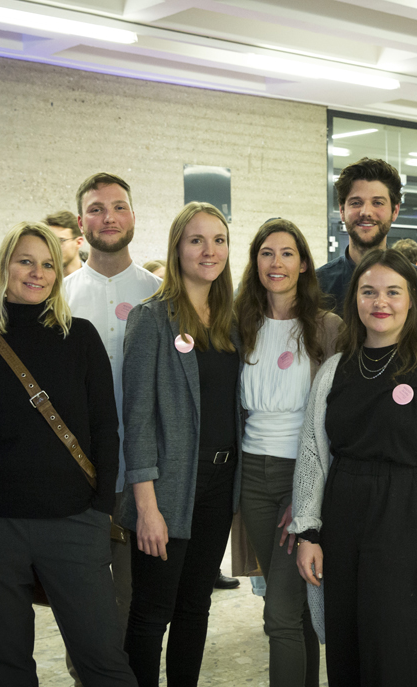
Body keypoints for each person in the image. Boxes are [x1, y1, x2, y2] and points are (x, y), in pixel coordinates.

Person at [0, 221, 136, 687]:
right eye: (26, 261)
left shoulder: (81, 338)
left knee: (103, 659)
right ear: (5, 267)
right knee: (8, 666)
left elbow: (106, 429)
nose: (38, 273)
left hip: (73, 523)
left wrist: (99, 510)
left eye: (48, 264)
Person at [291, 248, 417, 687]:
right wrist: (308, 533)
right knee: (347, 645)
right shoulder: (335, 369)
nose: (381, 302)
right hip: (342, 521)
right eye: (369, 291)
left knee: (399, 648)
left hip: (404, 522)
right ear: (354, 299)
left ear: (412, 300)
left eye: (393, 292)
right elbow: (313, 456)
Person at [121, 201, 242, 687]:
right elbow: (137, 419)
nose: (209, 250)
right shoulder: (152, 319)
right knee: (153, 612)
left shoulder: (230, 320)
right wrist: (146, 507)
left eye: (218, 239)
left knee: (196, 606)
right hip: (168, 488)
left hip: (219, 483)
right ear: (177, 249)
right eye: (196, 240)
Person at [63, 173, 162, 684]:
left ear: (132, 217)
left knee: (133, 610)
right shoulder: (57, 298)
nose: (108, 217)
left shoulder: (160, 295)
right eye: (96, 209)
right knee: (83, 614)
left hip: (142, 481)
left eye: (118, 207)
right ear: (81, 223)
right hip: (75, 481)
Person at [234, 218, 341, 687]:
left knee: (278, 614)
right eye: (266, 253)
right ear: (255, 262)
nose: (276, 263)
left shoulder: (328, 327)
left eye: (287, 253)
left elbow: (340, 419)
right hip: (251, 478)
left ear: (303, 264)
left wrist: (310, 494)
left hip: (302, 476)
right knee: (292, 610)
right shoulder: (239, 324)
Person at [318, 158, 417, 315]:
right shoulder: (318, 286)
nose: (366, 212)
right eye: (356, 203)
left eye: (377, 203)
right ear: (342, 211)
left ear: (395, 211)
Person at [45, 210, 85, 276]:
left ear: (78, 242)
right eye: (49, 242)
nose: (53, 248)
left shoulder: (97, 278)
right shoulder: (41, 280)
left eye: (61, 241)